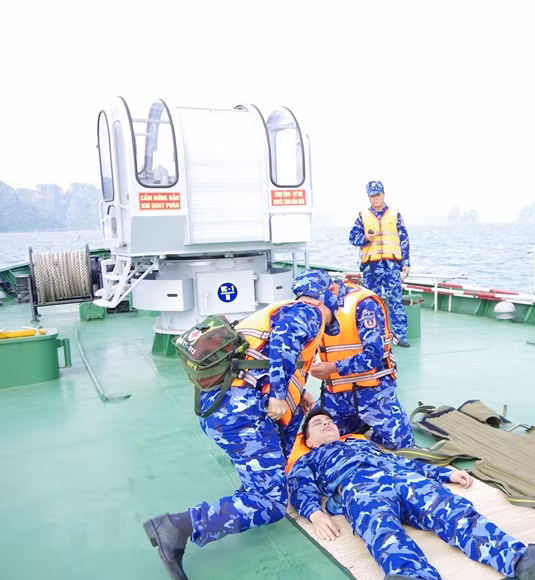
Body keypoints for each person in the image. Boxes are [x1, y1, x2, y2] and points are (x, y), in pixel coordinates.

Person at [142, 270, 342, 580]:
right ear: (329, 296)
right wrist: (278, 395)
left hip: (224, 407)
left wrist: (297, 393)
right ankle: (177, 527)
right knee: (272, 503)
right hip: (240, 414)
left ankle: (249, 493)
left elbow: (260, 357)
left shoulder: (284, 308)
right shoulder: (310, 310)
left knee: (271, 470)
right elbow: (284, 344)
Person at [288, 409, 535, 580]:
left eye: (329, 421)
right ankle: (414, 576)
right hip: (358, 487)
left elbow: (402, 461)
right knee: (381, 531)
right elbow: (299, 486)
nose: (327, 423)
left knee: (452, 510)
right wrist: (315, 512)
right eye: (318, 423)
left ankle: (520, 558)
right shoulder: (309, 458)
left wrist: (446, 473)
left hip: (404, 478)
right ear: (309, 441)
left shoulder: (361, 445)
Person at [308, 278, 415, 450]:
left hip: (373, 392)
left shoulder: (365, 304)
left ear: (331, 290)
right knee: (317, 441)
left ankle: (367, 423)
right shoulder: (310, 312)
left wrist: (333, 367)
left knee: (402, 446)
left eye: (317, 304)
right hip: (336, 395)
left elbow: (373, 355)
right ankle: (358, 423)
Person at [349, 180, 412, 347]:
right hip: (371, 267)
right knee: (371, 301)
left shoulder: (394, 214)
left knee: (395, 300)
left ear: (383, 195)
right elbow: (352, 238)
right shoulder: (362, 216)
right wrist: (365, 238)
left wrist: (406, 263)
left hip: (391, 265)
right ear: (368, 197)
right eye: (372, 196)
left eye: (378, 195)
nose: (375, 198)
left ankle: (400, 335)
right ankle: (373, 335)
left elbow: (404, 239)